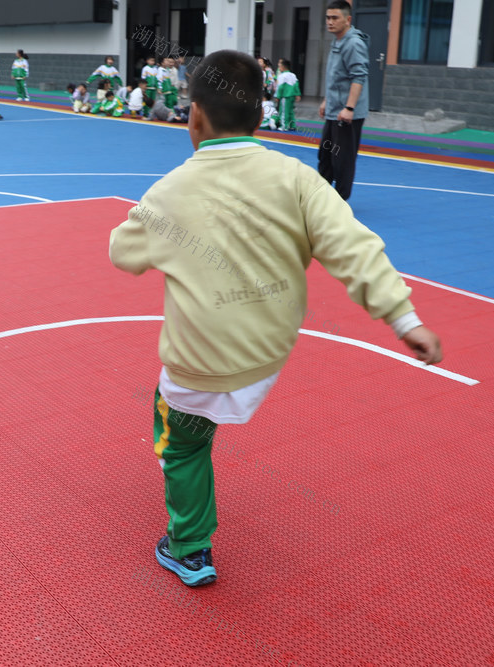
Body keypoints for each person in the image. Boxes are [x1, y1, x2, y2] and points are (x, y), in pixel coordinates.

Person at [109, 49, 442, 588]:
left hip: (202, 362)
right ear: (262, 115)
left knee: (181, 440)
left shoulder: (170, 192)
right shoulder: (296, 179)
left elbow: (122, 254)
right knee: (205, 411)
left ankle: (188, 547)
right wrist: (404, 320)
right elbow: (354, 248)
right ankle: (207, 440)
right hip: (267, 353)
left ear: (193, 116)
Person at [319, 0, 370, 200]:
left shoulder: (353, 43)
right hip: (334, 109)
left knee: (342, 159)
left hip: (346, 113)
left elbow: (359, 76)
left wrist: (349, 108)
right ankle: (321, 197)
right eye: (328, 18)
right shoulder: (338, 40)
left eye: (335, 18)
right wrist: (326, 100)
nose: (330, 22)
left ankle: (340, 201)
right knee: (326, 155)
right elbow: (336, 76)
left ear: (347, 20)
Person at [275, 58, 301, 131]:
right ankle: (292, 125)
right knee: (290, 111)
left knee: (283, 111)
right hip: (292, 96)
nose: (279, 68)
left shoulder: (282, 76)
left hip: (285, 96)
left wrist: (278, 96)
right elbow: (296, 85)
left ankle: (284, 126)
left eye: (279, 66)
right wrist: (298, 94)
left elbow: (280, 87)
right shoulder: (293, 75)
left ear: (283, 67)